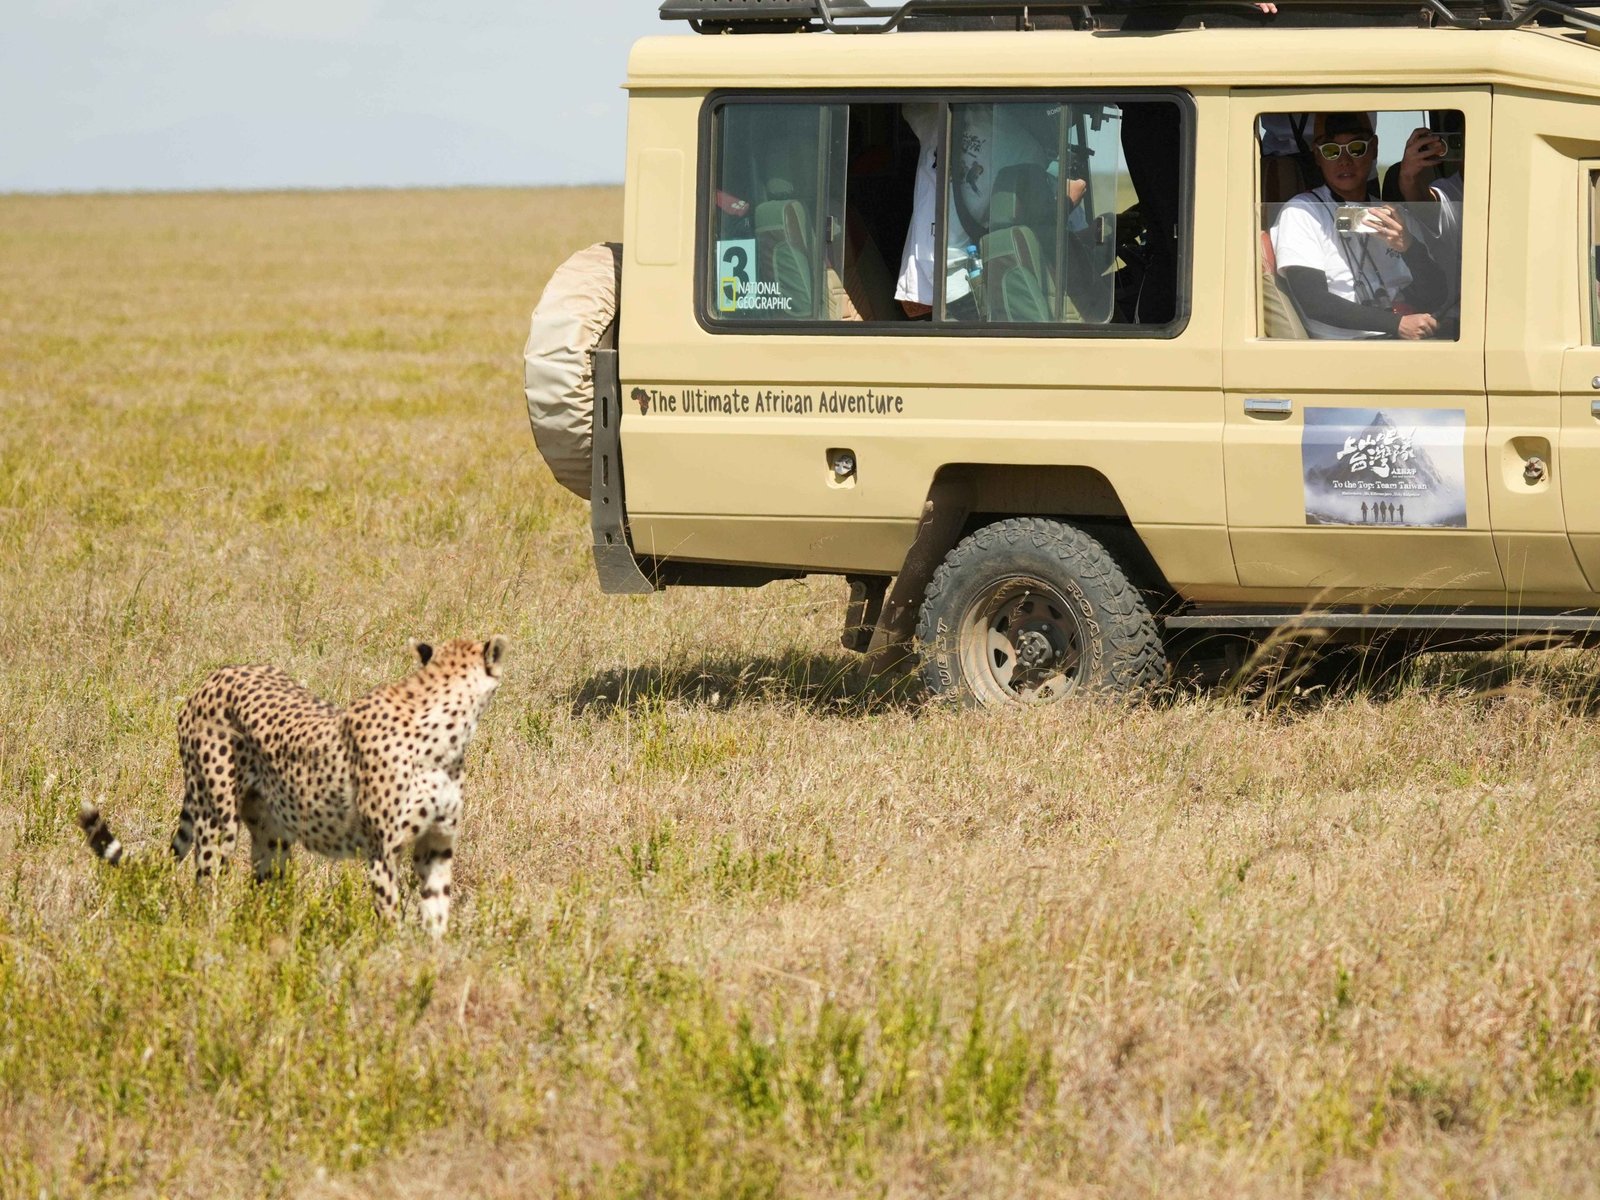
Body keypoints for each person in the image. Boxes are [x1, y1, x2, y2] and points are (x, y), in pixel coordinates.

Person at [895, 103, 1085, 319]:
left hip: (918, 275)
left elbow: (909, 103)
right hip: (962, 281)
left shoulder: (945, 112)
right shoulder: (1030, 152)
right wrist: (1067, 202)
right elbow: (1031, 230)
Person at [1270, 112, 1445, 340]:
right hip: (1344, 348)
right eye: (1331, 151)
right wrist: (1397, 324)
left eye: (1356, 149)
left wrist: (1409, 247)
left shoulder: (1393, 213)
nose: (1344, 160)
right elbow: (1315, 302)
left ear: (1374, 150)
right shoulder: (1302, 212)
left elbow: (1437, 294)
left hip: (1398, 338)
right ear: (1318, 156)